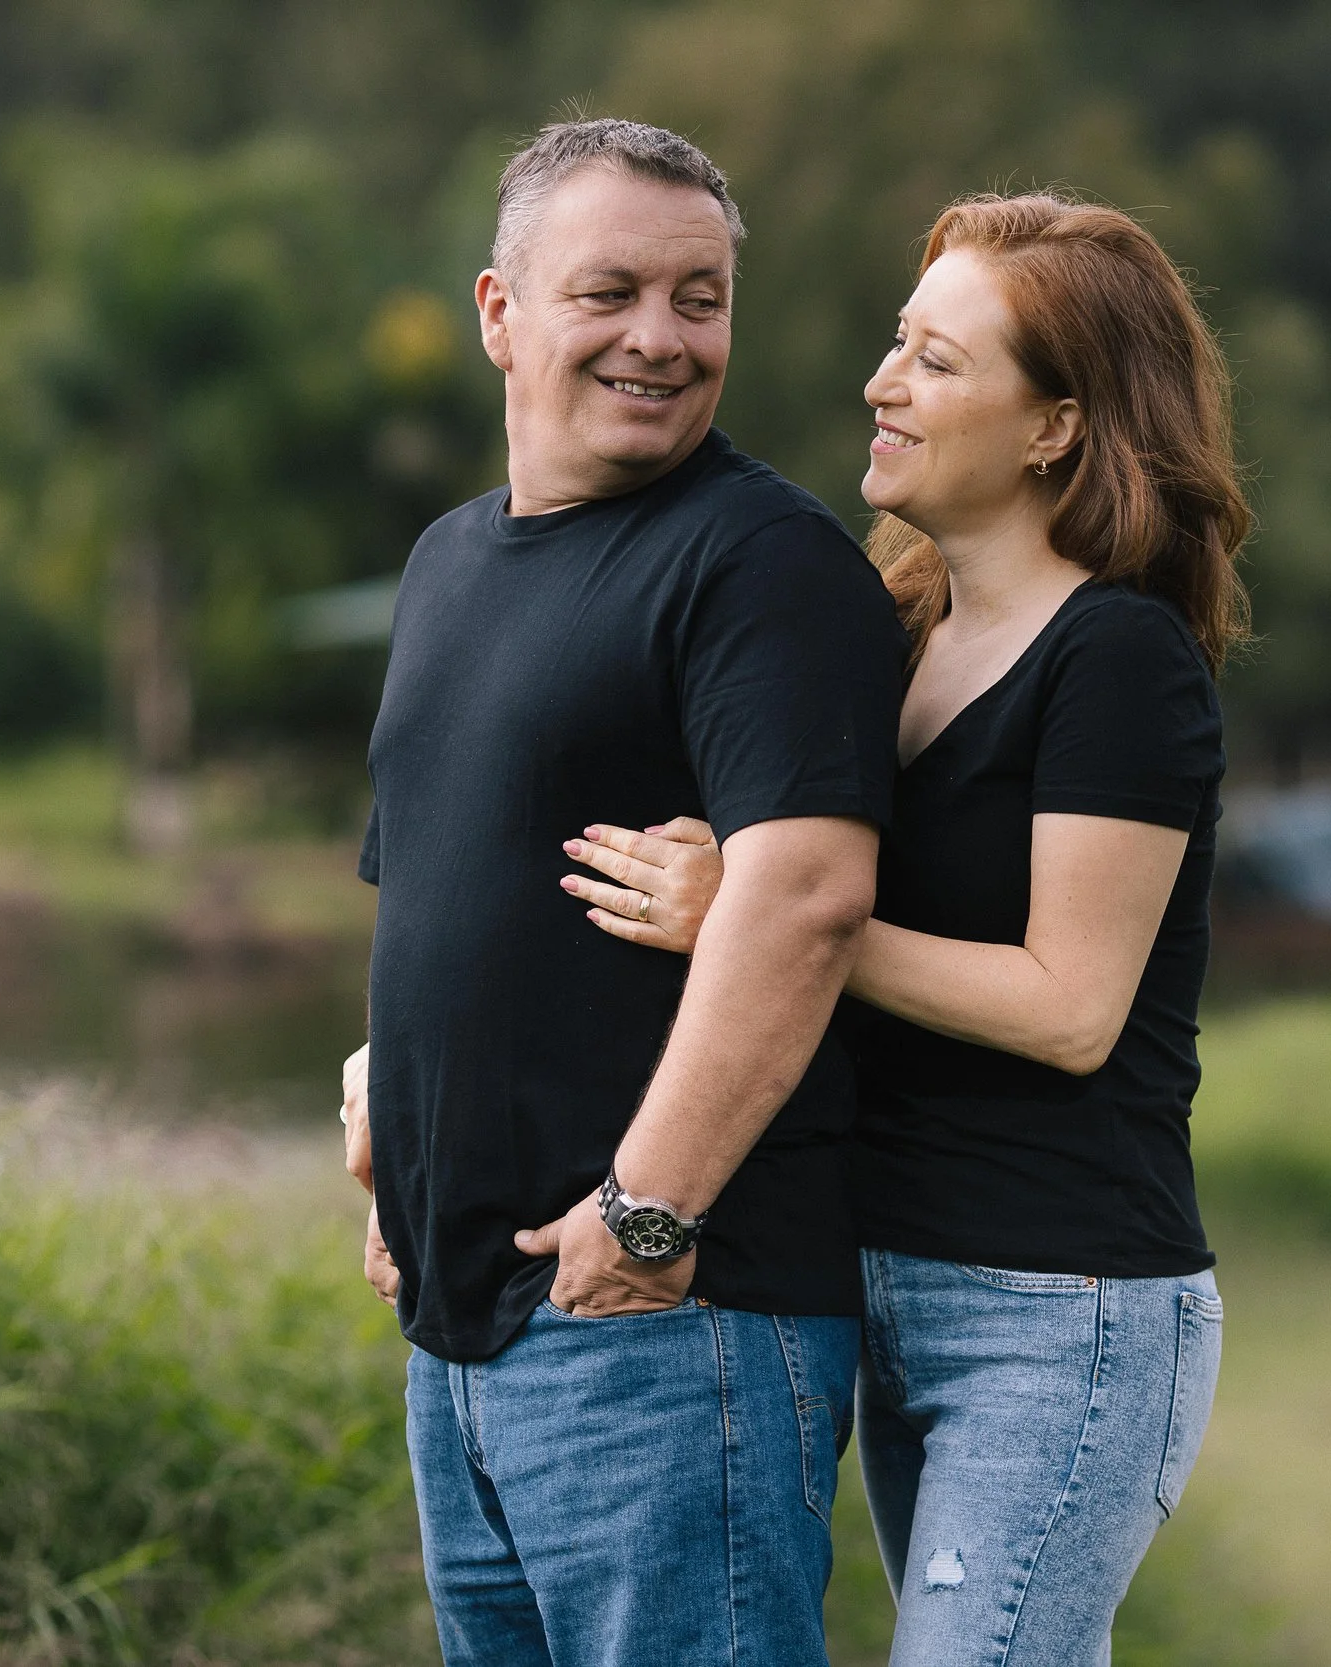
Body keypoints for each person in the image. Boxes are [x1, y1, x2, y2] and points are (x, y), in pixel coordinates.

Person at [559, 193, 1248, 1665]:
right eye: (896, 343)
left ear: (1056, 427)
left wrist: (756, 918)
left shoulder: (1118, 659)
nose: (882, 384)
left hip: (1061, 1310)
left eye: (936, 361)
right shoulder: (893, 629)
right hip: (880, 1279)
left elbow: (1072, 1002)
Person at [336, 118, 908, 1666]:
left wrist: (645, 1218)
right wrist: (385, 1075)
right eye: (611, 293)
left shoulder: (765, 565)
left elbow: (805, 902)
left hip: (669, 1329)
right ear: (500, 313)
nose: (661, 338)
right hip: (465, 1337)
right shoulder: (450, 561)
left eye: (700, 298)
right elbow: (439, 878)